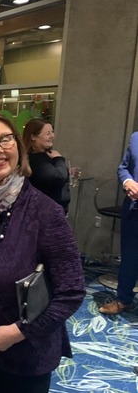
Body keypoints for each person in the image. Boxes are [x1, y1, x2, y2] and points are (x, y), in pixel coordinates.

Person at [0, 111, 85, 393]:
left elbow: (72, 291)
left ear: (18, 150)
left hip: (25, 357)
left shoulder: (45, 212)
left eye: (5, 140)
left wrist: (18, 332)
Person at [99, 132, 138, 315]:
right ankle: (123, 300)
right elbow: (123, 168)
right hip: (133, 209)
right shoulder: (136, 137)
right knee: (129, 257)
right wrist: (128, 181)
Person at [23, 118, 71, 213]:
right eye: (48, 133)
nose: (52, 136)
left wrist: (67, 171)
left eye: (52, 132)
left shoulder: (46, 155)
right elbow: (58, 177)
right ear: (33, 137)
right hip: (44, 213)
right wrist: (59, 159)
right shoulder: (35, 159)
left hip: (55, 210)